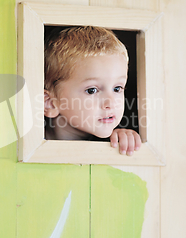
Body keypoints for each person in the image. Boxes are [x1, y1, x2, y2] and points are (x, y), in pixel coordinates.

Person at [43, 26, 141, 156]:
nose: (110, 103)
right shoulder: (29, 141)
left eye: (117, 88)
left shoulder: (113, 142)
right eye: (92, 90)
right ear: (50, 103)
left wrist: (121, 140)